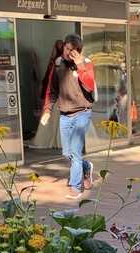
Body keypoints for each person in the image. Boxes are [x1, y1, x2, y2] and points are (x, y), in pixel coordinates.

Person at [40, 34, 96, 200]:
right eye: (66, 49)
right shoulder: (58, 64)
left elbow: (90, 86)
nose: (68, 53)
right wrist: (47, 110)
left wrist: (80, 65)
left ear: (78, 52)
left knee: (76, 151)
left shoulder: (86, 63)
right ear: (63, 47)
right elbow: (52, 90)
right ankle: (87, 167)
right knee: (67, 153)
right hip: (65, 114)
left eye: (72, 51)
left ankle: (75, 187)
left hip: (82, 112)